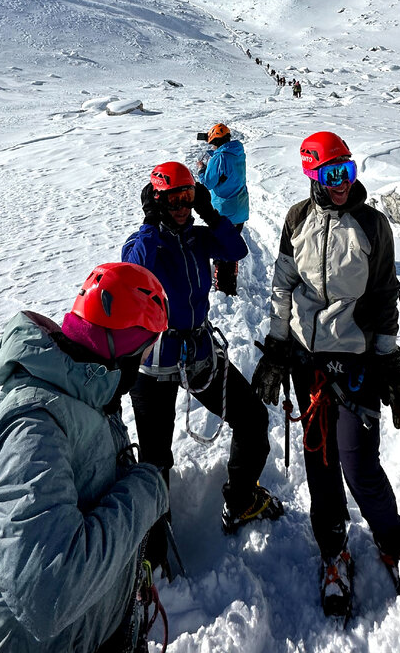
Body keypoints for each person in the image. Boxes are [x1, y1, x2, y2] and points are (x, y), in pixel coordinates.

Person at [0, 263, 171, 653]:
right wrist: (144, 493)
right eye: (147, 349)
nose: (145, 364)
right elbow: (47, 595)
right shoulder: (35, 428)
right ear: (123, 348)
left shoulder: (85, 391)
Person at [252, 131, 400, 619]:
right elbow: (284, 285)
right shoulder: (297, 219)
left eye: (347, 171)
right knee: (319, 457)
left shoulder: (372, 224)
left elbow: (385, 295)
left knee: (357, 461)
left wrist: (388, 359)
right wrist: (278, 346)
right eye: (330, 174)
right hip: (306, 359)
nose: (341, 183)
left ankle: (390, 538)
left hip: (357, 359)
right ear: (312, 176)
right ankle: (333, 552)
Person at [122, 161, 283, 538]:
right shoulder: (145, 241)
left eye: (187, 197)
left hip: (198, 354)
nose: (180, 207)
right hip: (154, 362)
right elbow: (133, 274)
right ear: (156, 201)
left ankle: (242, 499)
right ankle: (155, 543)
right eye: (172, 199)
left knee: (252, 418)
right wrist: (149, 224)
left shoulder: (197, 237)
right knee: (155, 458)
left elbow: (236, 248)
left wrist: (211, 214)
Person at [196, 122, 250, 296]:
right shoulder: (238, 152)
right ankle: (232, 271)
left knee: (221, 248)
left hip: (225, 211)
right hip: (240, 209)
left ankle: (225, 288)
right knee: (232, 242)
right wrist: (214, 155)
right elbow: (226, 164)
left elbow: (209, 182)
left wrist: (202, 170)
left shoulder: (218, 158)